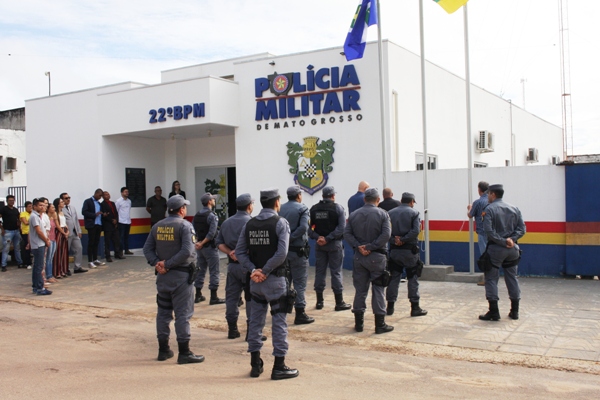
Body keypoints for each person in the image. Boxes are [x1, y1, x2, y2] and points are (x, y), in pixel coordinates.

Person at [235, 188, 299, 380]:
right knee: (279, 322)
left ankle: (255, 365)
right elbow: (282, 253)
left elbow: (239, 252)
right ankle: (279, 366)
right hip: (275, 281)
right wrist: (264, 271)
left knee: (255, 323)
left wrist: (254, 270)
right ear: (277, 202)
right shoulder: (281, 223)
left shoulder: (250, 224)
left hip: (255, 282)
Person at [142, 194, 204, 364]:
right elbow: (187, 251)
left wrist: (158, 264)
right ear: (182, 209)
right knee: (183, 315)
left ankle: (163, 350)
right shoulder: (185, 226)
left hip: (163, 278)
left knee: (163, 313)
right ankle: (184, 353)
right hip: (181, 277)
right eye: (185, 206)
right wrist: (167, 264)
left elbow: (147, 249)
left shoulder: (157, 226)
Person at [344, 188, 393, 334]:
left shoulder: (353, 215)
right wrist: (371, 247)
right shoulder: (383, 214)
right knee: (378, 289)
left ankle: (359, 324)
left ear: (365, 199)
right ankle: (380, 324)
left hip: (360, 257)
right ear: (378, 200)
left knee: (360, 290)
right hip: (377, 257)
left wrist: (359, 247)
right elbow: (386, 235)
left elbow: (347, 233)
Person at [479, 184, 526, 321]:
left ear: (493, 194)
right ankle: (515, 311)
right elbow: (522, 229)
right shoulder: (514, 208)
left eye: (488, 194)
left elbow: (489, 232)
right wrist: (511, 239)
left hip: (496, 249)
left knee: (491, 278)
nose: (487, 197)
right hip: (513, 249)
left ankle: (494, 312)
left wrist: (503, 241)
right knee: (512, 277)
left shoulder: (489, 210)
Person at [215, 193, 255, 339]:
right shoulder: (252, 222)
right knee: (251, 298)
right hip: (249, 266)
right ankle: (251, 331)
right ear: (249, 205)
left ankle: (232, 329)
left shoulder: (226, 222)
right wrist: (241, 253)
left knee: (231, 298)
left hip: (232, 266)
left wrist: (231, 252)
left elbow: (218, 243)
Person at [308, 186, 351, 311]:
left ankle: (319, 302)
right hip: (334, 245)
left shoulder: (314, 209)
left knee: (319, 272)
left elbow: (309, 228)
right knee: (336, 272)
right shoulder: (338, 208)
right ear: (333, 196)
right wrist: (328, 238)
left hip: (319, 245)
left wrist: (318, 237)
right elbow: (342, 227)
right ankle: (339, 302)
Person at [386, 192, 428, 318]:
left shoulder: (390, 213)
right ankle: (415, 307)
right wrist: (404, 239)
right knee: (412, 278)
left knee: (394, 278)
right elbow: (416, 231)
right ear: (411, 202)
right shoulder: (414, 213)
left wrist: (395, 240)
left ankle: (390, 307)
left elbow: (386, 231)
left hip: (394, 251)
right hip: (410, 251)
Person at [279, 186, 314, 325]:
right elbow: (304, 227)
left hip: (283, 251)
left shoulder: (280, 208)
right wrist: (291, 237)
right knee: (300, 283)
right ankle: (300, 313)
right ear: (299, 195)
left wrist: (285, 239)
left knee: (285, 281)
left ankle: (283, 309)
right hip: (298, 250)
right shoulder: (303, 208)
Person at [192, 193, 225, 305]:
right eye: (213, 199)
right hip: (209, 247)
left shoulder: (197, 215)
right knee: (214, 271)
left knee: (200, 270)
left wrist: (198, 243)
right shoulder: (212, 216)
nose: (214, 201)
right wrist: (203, 243)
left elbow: (193, 230)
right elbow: (211, 233)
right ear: (209, 201)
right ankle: (213, 297)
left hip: (199, 248)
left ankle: (198, 294)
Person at [378, 187, 407, 283]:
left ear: (383, 195)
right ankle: (401, 275)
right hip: (397, 234)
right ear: (392, 194)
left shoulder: (380, 205)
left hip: (383, 233)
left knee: (385, 254)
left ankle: (387, 271)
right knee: (398, 255)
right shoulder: (398, 204)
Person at [60, 193, 88, 274]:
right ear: (62, 200)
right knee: (66, 251)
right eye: (66, 198)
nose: (68, 199)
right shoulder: (61, 209)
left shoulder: (72, 208)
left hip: (75, 232)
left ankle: (77, 266)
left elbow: (76, 220)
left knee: (79, 248)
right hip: (67, 233)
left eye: (69, 198)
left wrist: (79, 230)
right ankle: (66, 268)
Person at [29, 198, 51, 295]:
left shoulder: (39, 216)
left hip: (39, 244)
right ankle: (39, 288)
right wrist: (46, 240)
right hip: (38, 244)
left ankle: (35, 286)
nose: (42, 207)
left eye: (43, 205)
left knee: (37, 266)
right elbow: (38, 231)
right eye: (40, 205)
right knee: (39, 266)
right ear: (35, 207)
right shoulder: (34, 216)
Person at [82, 189, 106, 269]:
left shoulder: (99, 203)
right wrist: (94, 214)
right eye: (99, 196)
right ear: (96, 193)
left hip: (98, 224)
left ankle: (95, 259)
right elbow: (84, 212)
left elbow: (100, 213)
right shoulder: (88, 201)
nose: (100, 198)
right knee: (91, 243)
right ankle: (90, 261)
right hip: (91, 224)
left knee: (96, 242)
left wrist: (103, 214)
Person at [1, 194, 24, 271]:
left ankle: (19, 263)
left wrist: (19, 225)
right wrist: (2, 228)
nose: (11, 202)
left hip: (16, 231)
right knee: (6, 249)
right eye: (10, 200)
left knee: (17, 248)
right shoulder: (4, 209)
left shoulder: (15, 209)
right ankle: (4, 265)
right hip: (7, 231)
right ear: (7, 201)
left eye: (13, 200)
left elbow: (18, 218)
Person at [467, 181, 490, 256]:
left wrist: (470, 208)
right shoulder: (492, 202)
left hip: (482, 232)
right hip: (494, 232)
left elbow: (470, 215)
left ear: (479, 190)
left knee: (485, 256)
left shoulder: (478, 202)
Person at [101, 191, 124, 262]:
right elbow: (105, 215)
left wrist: (116, 220)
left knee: (116, 240)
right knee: (107, 241)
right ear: (103, 196)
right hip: (108, 225)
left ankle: (117, 254)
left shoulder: (112, 203)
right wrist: (112, 220)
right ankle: (108, 256)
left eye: (108, 194)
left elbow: (116, 213)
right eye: (105, 195)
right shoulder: (102, 204)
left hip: (115, 225)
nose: (107, 195)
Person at [53, 198, 69, 278]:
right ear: (58, 204)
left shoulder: (62, 212)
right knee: (58, 252)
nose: (63, 203)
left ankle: (63, 270)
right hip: (60, 232)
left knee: (64, 252)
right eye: (62, 202)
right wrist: (63, 232)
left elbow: (64, 223)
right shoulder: (55, 213)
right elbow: (57, 225)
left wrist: (67, 231)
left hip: (64, 230)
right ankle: (57, 271)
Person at [115, 187, 133, 255]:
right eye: (125, 192)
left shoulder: (129, 201)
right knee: (121, 237)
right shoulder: (118, 201)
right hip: (121, 221)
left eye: (127, 192)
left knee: (126, 236)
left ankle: (126, 250)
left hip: (128, 221)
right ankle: (120, 251)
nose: (127, 193)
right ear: (122, 193)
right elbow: (116, 211)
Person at [44, 202, 59, 284]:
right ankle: (48, 275)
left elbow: (56, 226)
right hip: (49, 239)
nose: (54, 209)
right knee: (48, 258)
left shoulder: (53, 218)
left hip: (53, 239)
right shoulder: (45, 218)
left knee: (51, 258)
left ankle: (51, 275)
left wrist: (55, 216)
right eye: (52, 207)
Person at [19, 201, 33, 269]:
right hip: (26, 233)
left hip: (33, 233)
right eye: (29, 206)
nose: (31, 208)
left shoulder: (33, 214)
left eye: (31, 206)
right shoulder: (23, 214)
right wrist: (33, 220)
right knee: (27, 248)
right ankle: (28, 263)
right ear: (26, 207)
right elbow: (25, 222)